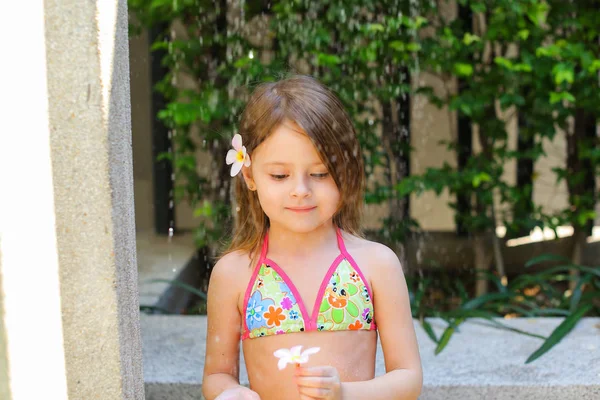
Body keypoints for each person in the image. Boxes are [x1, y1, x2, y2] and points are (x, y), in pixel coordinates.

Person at [202, 75, 422, 400]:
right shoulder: (234, 274)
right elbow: (217, 375)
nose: (301, 191)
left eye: (320, 174)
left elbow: (408, 379)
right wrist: (235, 395)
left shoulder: (376, 265)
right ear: (249, 174)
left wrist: (345, 394)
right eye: (280, 175)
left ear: (345, 172)